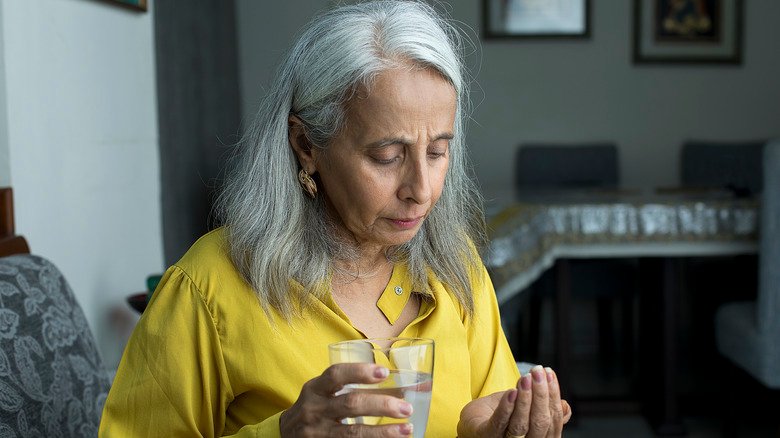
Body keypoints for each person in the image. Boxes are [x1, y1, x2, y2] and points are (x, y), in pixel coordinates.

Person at [99, 1, 571, 437]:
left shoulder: (457, 270)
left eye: (437, 152)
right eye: (387, 156)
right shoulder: (209, 287)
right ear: (307, 146)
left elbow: (493, 411)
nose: (421, 190)